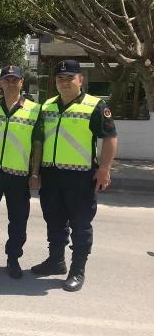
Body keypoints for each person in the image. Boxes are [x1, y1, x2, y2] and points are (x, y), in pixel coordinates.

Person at [31, 59, 117, 292]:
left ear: (80, 80)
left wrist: (105, 168)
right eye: (60, 78)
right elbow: (39, 141)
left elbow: (110, 137)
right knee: (54, 221)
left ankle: (77, 270)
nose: (65, 82)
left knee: (80, 225)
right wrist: (36, 171)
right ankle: (56, 261)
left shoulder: (95, 105)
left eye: (70, 78)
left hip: (80, 177)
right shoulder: (47, 106)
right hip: (51, 175)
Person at [0, 65, 43, 279]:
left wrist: (35, 173)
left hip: (19, 175)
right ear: (1, 83)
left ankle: (13, 259)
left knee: (18, 221)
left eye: (15, 79)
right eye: (6, 79)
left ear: (22, 82)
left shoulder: (34, 109)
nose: (10, 83)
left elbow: (38, 143)